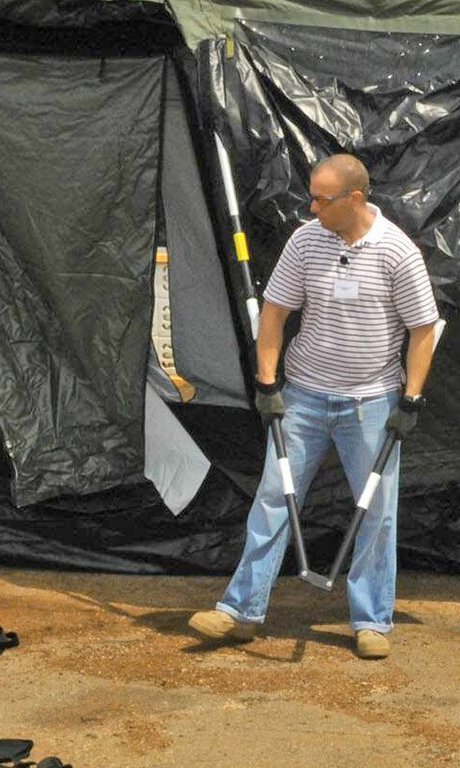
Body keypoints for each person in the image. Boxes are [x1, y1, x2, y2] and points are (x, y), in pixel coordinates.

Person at [188, 153, 439, 660]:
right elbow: (275, 313)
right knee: (274, 499)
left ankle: (371, 622)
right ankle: (240, 611)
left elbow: (423, 330)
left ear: (355, 199)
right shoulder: (305, 241)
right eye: (312, 195)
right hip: (304, 395)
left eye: (322, 199)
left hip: (371, 401)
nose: (312, 206)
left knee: (377, 513)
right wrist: (266, 383)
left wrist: (410, 399)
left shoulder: (397, 253)